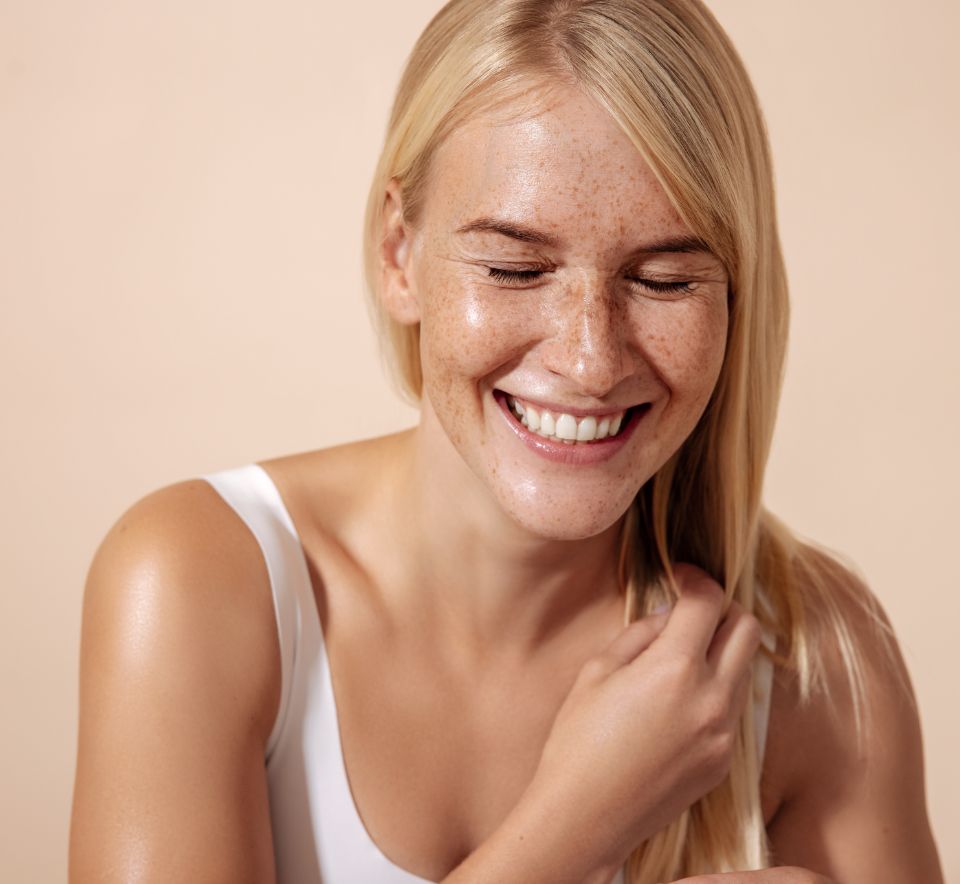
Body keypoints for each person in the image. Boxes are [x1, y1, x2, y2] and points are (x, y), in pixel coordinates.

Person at [68, 1, 943, 882]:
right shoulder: (195, 581)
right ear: (397, 253)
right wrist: (577, 819)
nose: (591, 360)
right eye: (516, 268)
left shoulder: (818, 657)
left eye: (665, 279)